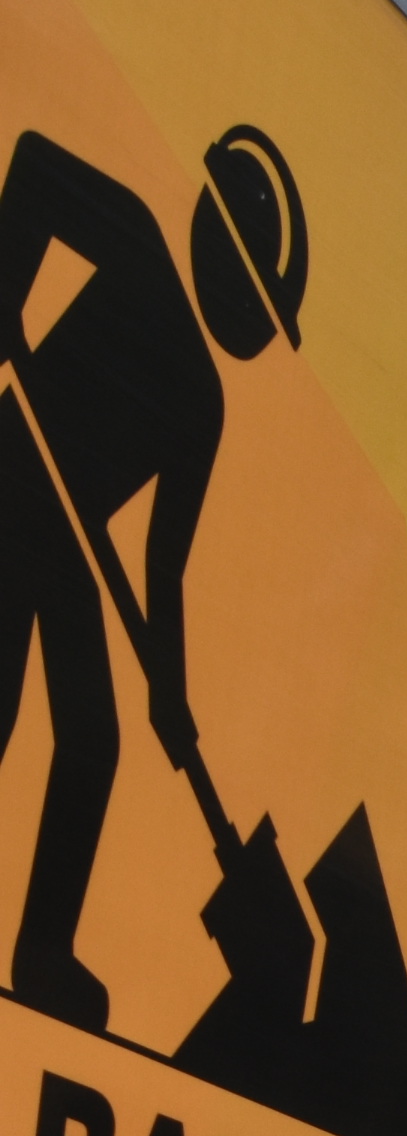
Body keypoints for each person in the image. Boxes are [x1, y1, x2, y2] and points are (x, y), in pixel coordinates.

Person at [0, 122, 309, 1029]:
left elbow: (163, 567)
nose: (249, 318)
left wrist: (170, 696)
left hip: (62, 532)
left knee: (93, 740)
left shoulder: (203, 409)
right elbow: (34, 170)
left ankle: (40, 952)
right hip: (14, 471)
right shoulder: (135, 241)